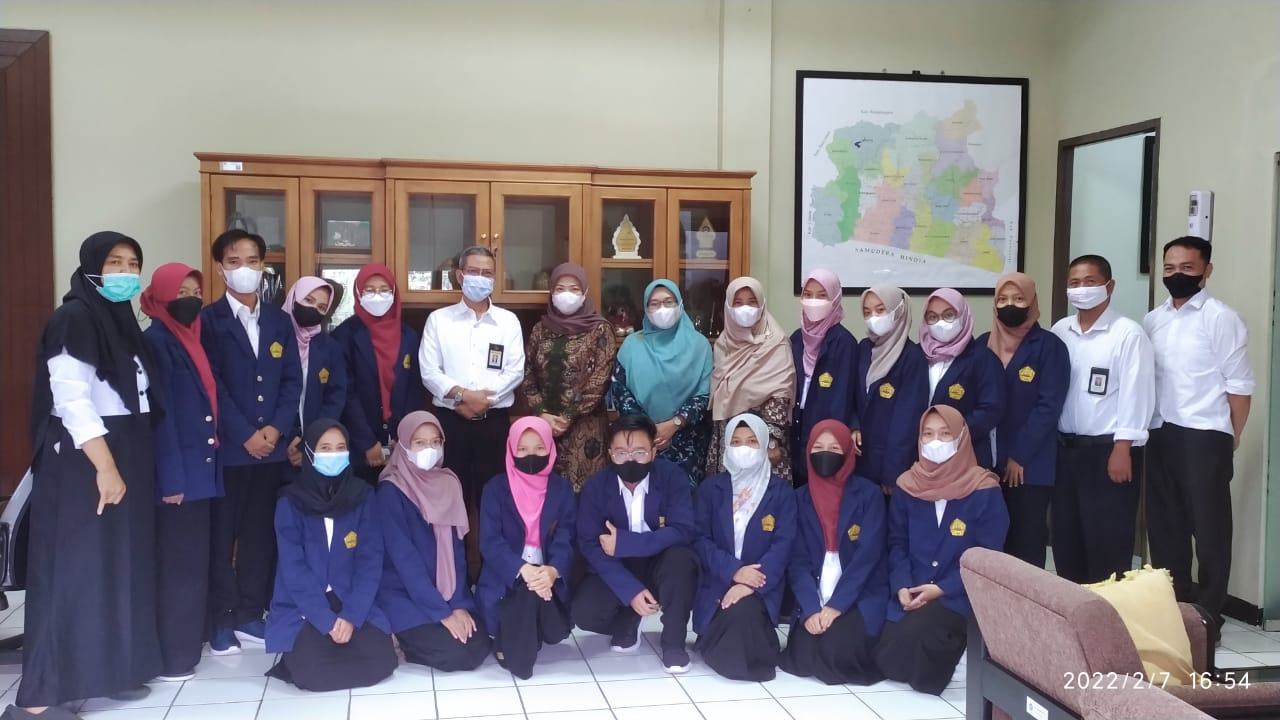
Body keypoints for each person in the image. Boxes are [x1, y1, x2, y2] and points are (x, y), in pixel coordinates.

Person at [9, 232, 164, 720]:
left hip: (125, 449)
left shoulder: (122, 321)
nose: (125, 273)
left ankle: (110, 672)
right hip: (86, 460)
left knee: (118, 567)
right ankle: (38, 700)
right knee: (74, 573)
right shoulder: (74, 318)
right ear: (91, 266)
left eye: (133, 264)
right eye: (114, 263)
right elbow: (71, 401)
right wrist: (106, 466)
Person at [201, 229, 304, 654]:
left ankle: (249, 612)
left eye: (252, 261)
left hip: (270, 453)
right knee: (221, 537)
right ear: (220, 268)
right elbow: (212, 385)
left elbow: (292, 381)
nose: (244, 268)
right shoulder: (208, 321)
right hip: (229, 451)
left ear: (264, 266)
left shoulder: (279, 320)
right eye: (234, 261)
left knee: (260, 536)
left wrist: (276, 430)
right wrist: (245, 434)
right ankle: (222, 617)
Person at [1144, 236, 1254, 629]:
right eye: (1170, 268)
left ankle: (1208, 615)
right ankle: (1174, 610)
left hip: (1205, 435)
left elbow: (1239, 386)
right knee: (1165, 528)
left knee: (1210, 531)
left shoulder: (1220, 318)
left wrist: (1231, 437)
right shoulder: (1153, 320)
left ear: (1207, 271)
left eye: (1187, 268)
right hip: (1160, 432)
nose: (1177, 275)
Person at [874, 406, 1009, 695]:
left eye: (945, 434)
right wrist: (901, 585)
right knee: (886, 650)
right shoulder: (907, 486)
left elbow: (988, 557)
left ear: (961, 438)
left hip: (959, 592)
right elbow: (896, 543)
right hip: (911, 586)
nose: (935, 442)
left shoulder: (984, 489)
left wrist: (942, 588)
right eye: (928, 434)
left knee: (924, 649)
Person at [266, 419, 397, 692]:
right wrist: (326, 621)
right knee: (313, 673)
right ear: (309, 453)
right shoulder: (289, 501)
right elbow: (293, 570)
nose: (334, 454)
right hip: (306, 603)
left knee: (382, 661)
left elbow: (370, 562)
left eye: (340, 448)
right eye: (325, 448)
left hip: (350, 597)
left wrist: (351, 616)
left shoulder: (362, 495)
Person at [419, 246, 525, 580]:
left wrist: (484, 401)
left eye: (487, 273)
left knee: (495, 503)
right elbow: (429, 371)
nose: (481, 278)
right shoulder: (439, 320)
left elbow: (515, 371)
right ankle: (455, 580)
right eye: (474, 272)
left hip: (494, 425)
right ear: (460, 276)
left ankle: (496, 579)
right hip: (452, 424)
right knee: (452, 502)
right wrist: (462, 396)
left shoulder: (507, 322)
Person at [140, 262, 223, 683]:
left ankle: (186, 644)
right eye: (181, 292)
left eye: (195, 292)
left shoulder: (189, 337)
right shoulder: (157, 341)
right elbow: (163, 418)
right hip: (180, 479)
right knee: (179, 569)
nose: (190, 299)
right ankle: (174, 658)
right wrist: (172, 479)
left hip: (199, 472)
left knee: (192, 564)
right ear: (161, 296)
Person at [1050, 255, 1155, 584]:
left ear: (1109, 286)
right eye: (1075, 283)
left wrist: (1122, 448)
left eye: (1090, 282)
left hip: (1108, 452)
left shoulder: (1128, 334)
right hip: (1065, 451)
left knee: (1107, 540)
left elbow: (1137, 394)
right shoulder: (1060, 331)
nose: (1081, 289)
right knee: (1067, 539)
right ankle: (1073, 610)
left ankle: (1109, 613)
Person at [572, 414, 700, 673]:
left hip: (661, 561)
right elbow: (588, 543)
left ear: (653, 451)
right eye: (621, 453)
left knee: (682, 560)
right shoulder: (596, 486)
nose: (630, 460)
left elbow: (683, 529)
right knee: (584, 612)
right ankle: (630, 617)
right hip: (619, 565)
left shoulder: (672, 477)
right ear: (610, 454)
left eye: (639, 452)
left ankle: (673, 644)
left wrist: (626, 543)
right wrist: (629, 590)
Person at [376, 411, 490, 671]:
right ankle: (403, 641)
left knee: (479, 644)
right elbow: (405, 562)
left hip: (449, 592)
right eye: (419, 443)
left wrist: (458, 604)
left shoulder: (448, 484)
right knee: (455, 655)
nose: (429, 449)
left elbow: (458, 552)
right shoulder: (390, 492)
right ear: (404, 445)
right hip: (406, 595)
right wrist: (442, 613)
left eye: (435, 442)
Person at [780, 420, 888, 686]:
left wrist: (837, 604)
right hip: (815, 587)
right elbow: (797, 561)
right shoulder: (799, 498)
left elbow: (867, 556)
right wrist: (811, 608)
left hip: (858, 590)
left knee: (836, 651)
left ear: (848, 452)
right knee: (803, 655)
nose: (825, 453)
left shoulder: (869, 494)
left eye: (834, 448)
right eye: (818, 447)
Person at [692, 413, 796, 681]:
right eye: (736, 442)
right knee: (732, 617)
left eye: (751, 441)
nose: (743, 448)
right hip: (718, 581)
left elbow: (783, 544)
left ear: (763, 444)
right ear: (726, 446)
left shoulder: (781, 492)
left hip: (761, 585)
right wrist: (734, 571)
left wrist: (750, 583)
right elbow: (700, 539)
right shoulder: (711, 489)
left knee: (745, 613)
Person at [976, 273, 1068, 568]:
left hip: (1029, 466)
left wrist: (1018, 455)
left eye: (1018, 299)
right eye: (1002, 299)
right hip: (986, 465)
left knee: (1026, 544)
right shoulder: (983, 344)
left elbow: (1048, 407)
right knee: (991, 543)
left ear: (1032, 302)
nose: (1010, 305)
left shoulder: (1049, 346)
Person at [477, 417, 576, 679]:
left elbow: (566, 536)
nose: (531, 455)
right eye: (522, 449)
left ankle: (512, 643)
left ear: (550, 448)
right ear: (511, 450)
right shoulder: (495, 489)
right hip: (506, 575)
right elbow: (490, 541)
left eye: (539, 448)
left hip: (547, 578)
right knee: (526, 591)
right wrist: (523, 569)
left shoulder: (562, 489)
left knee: (539, 603)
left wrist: (552, 571)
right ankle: (520, 659)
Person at [522, 263, 617, 491]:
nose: (567, 294)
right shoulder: (540, 329)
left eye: (574, 289)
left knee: (586, 494)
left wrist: (567, 416)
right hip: (543, 427)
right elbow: (527, 373)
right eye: (560, 288)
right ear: (551, 292)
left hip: (586, 429)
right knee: (546, 493)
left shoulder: (600, 329)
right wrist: (542, 413)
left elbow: (601, 378)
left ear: (585, 292)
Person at [610, 280, 713, 486]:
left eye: (668, 302)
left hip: (688, 444)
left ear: (680, 304)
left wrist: (675, 424)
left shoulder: (699, 345)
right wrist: (648, 430)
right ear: (646, 308)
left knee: (684, 500)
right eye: (654, 304)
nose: (662, 308)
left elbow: (705, 394)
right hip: (640, 441)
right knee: (642, 498)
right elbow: (620, 391)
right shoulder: (632, 345)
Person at [332, 263, 422, 483]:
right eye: (369, 290)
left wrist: (403, 436)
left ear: (394, 293)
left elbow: (414, 389)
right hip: (358, 445)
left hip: (401, 444)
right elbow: (346, 393)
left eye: (384, 290)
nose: (377, 296)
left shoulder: (409, 336)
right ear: (358, 293)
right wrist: (367, 442)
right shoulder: (343, 336)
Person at [707, 278, 797, 483]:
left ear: (762, 304)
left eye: (752, 302)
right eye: (738, 303)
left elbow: (781, 394)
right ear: (728, 307)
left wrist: (771, 441)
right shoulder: (723, 345)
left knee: (765, 499)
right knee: (726, 497)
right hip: (727, 440)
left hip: (764, 444)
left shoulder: (777, 343)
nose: (745, 308)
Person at [919, 288, 1004, 469]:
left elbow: (991, 409)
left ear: (963, 315)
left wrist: (951, 434)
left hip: (968, 454)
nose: (940, 323)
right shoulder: (918, 355)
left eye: (948, 315)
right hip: (923, 455)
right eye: (933, 317)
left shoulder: (983, 358)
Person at [790, 269, 859, 487]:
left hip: (826, 439)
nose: (813, 301)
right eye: (808, 294)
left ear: (835, 299)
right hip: (796, 433)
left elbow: (842, 399)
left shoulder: (845, 343)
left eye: (822, 296)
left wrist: (828, 439)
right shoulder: (796, 339)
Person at [856, 285, 928, 489]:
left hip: (890, 465)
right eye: (867, 312)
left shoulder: (912, 357)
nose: (873, 317)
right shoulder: (863, 348)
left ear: (899, 311)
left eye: (880, 310)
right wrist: (853, 425)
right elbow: (851, 396)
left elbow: (907, 421)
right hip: (859, 459)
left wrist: (892, 473)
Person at [282, 277, 347, 469]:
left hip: (315, 446)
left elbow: (335, 397)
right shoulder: (272, 338)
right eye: (308, 300)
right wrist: (289, 436)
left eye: (321, 307)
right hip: (275, 441)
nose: (313, 309)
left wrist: (310, 440)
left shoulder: (329, 347)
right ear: (294, 297)